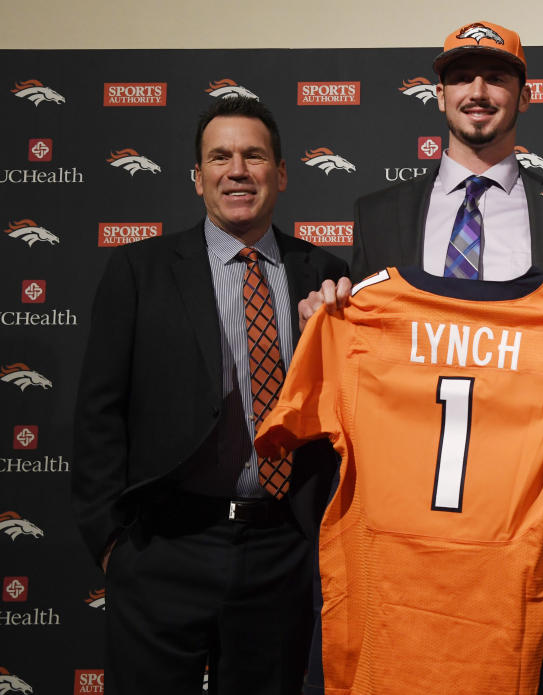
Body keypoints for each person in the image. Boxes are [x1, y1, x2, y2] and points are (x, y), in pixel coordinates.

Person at [301, 21, 543, 694]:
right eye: (462, 78)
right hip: (406, 526)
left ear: (525, 96)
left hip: (531, 527)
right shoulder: (379, 212)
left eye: (497, 77)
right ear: (438, 95)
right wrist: (325, 325)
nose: (479, 91)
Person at [71, 96, 347, 694]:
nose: (237, 170)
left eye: (254, 155)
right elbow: (98, 414)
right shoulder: (140, 271)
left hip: (281, 549)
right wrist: (112, 544)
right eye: (219, 157)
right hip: (165, 546)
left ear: (281, 173)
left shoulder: (326, 275)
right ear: (198, 179)